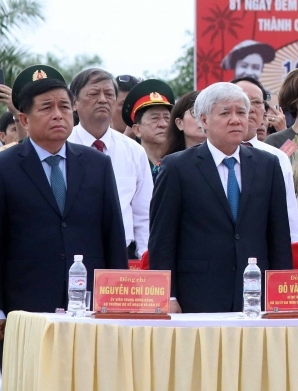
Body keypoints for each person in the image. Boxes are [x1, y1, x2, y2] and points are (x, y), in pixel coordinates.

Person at [0, 65, 128, 339]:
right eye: (46, 108)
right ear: (23, 119)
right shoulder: (5, 167)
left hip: (90, 307)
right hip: (25, 309)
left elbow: (113, 236)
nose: (58, 115)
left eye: (65, 107)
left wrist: (119, 302)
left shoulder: (97, 164)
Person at [149, 82, 292, 313]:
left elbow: (278, 237)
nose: (235, 120)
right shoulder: (177, 167)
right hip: (197, 292)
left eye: (241, 112)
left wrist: (280, 291)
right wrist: (168, 294)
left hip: (255, 294)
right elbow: (162, 239)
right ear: (204, 120)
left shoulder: (268, 165)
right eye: (225, 113)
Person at [67, 68, 153, 261]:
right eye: (94, 93)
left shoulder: (134, 151)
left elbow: (144, 214)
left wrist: (144, 258)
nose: (103, 99)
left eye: (108, 94)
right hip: (72, 255)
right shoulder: (62, 146)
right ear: (74, 102)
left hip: (123, 255)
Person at [233, 77, 298, 243]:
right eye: (242, 100)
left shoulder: (277, 158)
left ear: (265, 111)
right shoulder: (200, 157)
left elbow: (289, 217)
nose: (248, 107)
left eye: (256, 102)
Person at [124, 79, 176, 182]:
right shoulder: (128, 164)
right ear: (137, 129)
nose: (163, 124)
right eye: (155, 118)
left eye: (167, 118)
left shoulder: (182, 163)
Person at [112, 74, 141, 138]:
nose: (133, 110)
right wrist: (127, 137)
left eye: (137, 104)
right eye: (124, 105)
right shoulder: (97, 140)